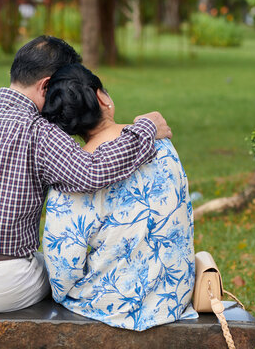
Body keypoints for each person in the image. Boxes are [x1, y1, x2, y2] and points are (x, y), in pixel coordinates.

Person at [0, 36, 172, 313]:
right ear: (46, 85)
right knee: (56, 273)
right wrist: (146, 129)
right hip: (1, 287)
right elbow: (93, 171)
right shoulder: (41, 133)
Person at [42, 63, 197, 331]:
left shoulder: (71, 178)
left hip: (109, 305)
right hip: (172, 296)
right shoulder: (161, 143)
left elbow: (62, 270)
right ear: (103, 98)